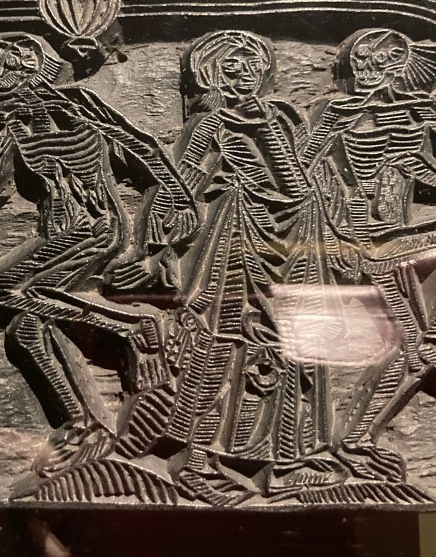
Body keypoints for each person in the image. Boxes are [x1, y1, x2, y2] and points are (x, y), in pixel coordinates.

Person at [0, 31, 198, 475]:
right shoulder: (5, 118)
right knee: (27, 329)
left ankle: (132, 325)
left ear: (35, 67)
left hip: (96, 224)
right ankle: (86, 424)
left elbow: (141, 146)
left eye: (7, 63)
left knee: (2, 288)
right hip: (59, 229)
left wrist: (179, 200)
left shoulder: (78, 103)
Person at [117, 30, 359, 505]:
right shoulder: (209, 125)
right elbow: (180, 184)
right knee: (219, 349)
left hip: (289, 241)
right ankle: (195, 461)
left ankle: (285, 461)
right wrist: (153, 246)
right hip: (234, 241)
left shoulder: (281, 117)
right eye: (230, 67)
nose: (243, 75)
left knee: (291, 351)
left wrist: (284, 133)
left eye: (251, 66)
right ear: (211, 74)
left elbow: (295, 183)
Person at [302, 28, 436, 481]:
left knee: (411, 339)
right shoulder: (333, 110)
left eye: (387, 58)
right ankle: (432, 341)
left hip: (395, 236)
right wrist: (329, 138)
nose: (372, 67)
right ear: (352, 63)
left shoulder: (420, 109)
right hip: (349, 238)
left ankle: (359, 437)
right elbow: (296, 171)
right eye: (364, 59)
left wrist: (427, 171)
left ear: (402, 65)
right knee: (411, 340)